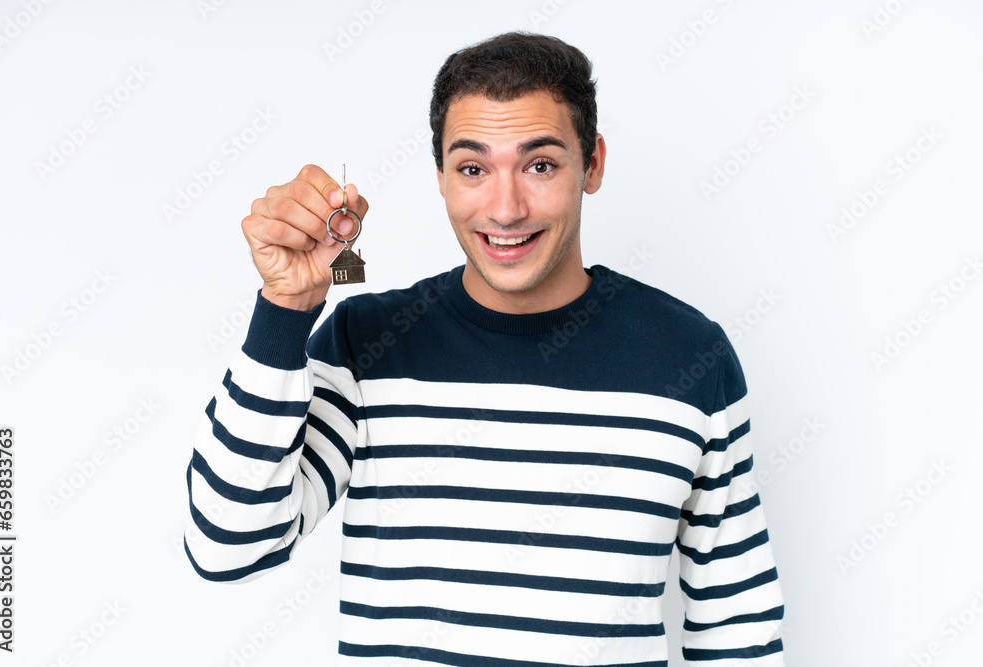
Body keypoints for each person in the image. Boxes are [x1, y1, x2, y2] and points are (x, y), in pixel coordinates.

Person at [184, 31, 788, 665]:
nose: (505, 208)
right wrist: (284, 310)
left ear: (594, 164)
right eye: (473, 168)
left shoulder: (689, 357)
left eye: (540, 165)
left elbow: (736, 624)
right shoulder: (367, 346)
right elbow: (228, 545)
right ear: (441, 178)